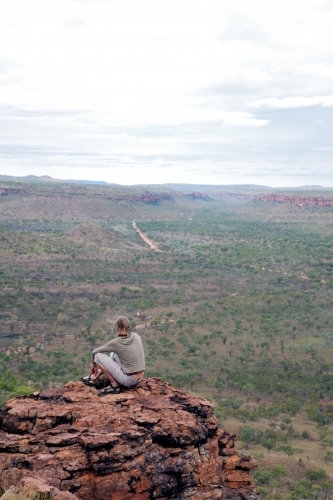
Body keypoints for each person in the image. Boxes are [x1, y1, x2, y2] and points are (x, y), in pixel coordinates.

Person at [81, 316, 145, 395]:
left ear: (116, 328)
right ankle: (94, 377)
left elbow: (94, 352)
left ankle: (114, 385)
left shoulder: (116, 342)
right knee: (113, 354)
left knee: (97, 357)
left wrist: (93, 365)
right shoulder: (136, 336)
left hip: (129, 380)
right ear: (129, 327)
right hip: (140, 376)